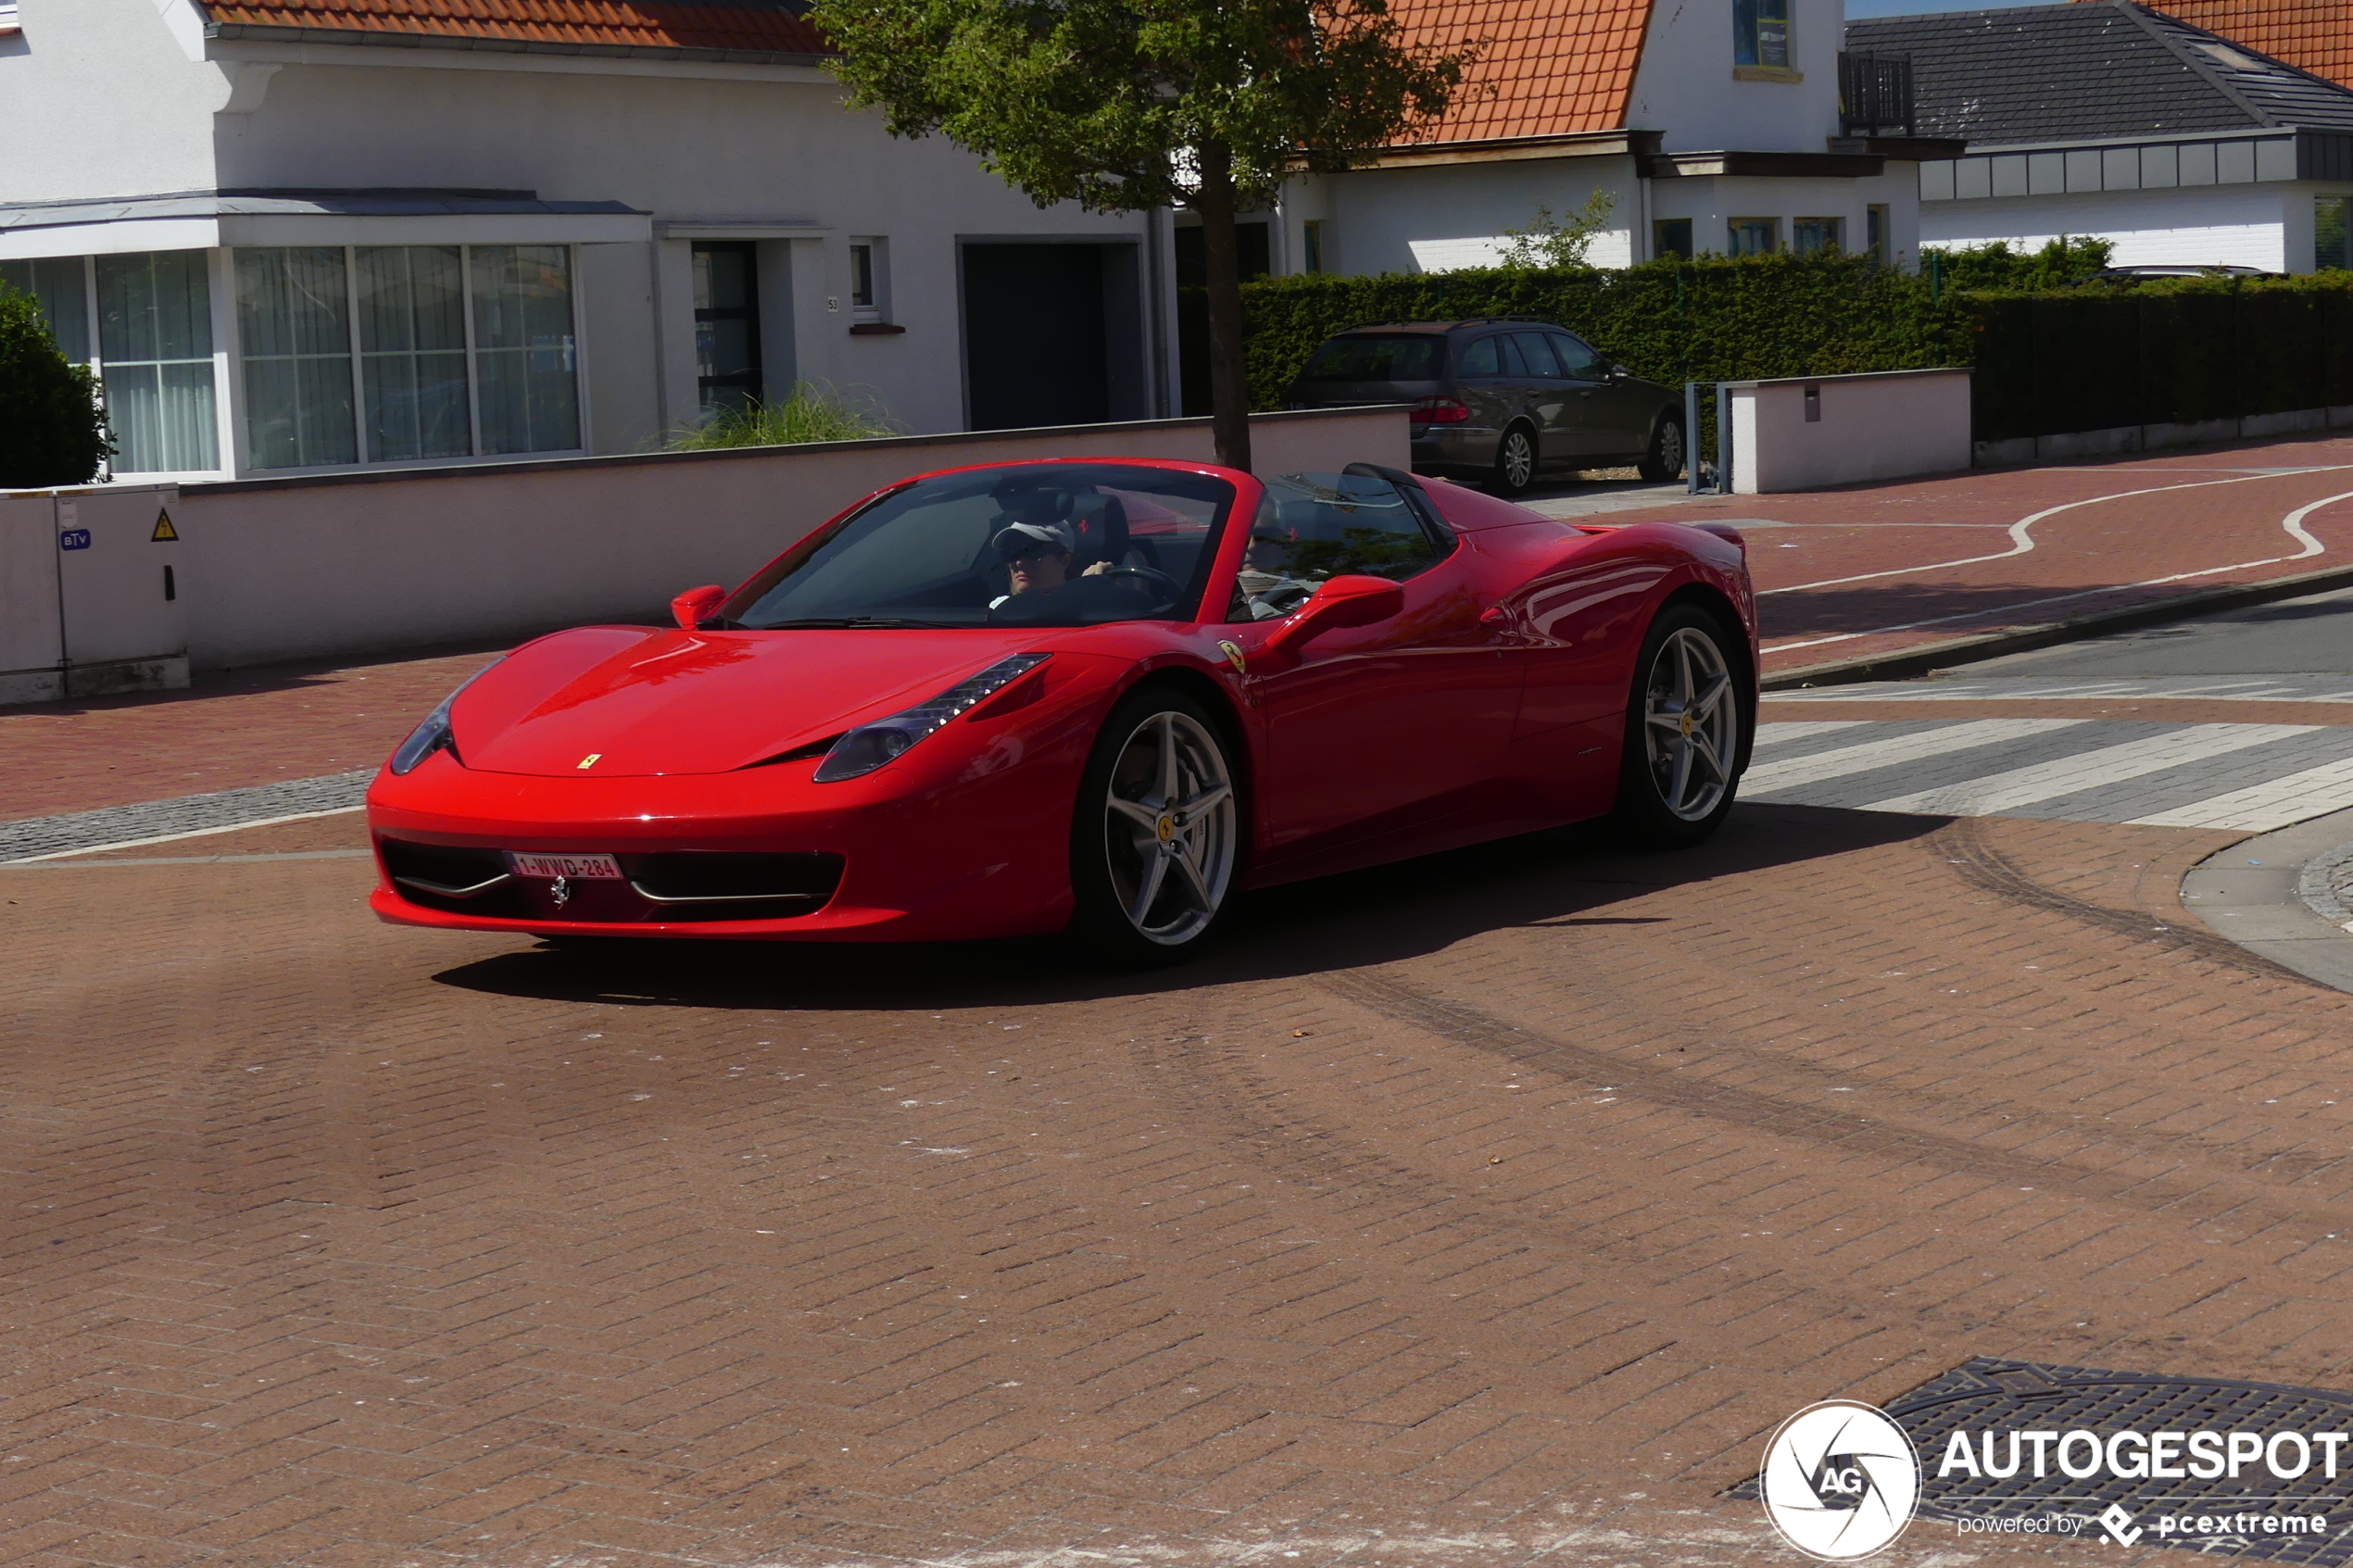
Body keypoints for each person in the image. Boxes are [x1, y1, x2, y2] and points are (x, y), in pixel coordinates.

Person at [988, 519, 1110, 608]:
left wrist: (1092, 591)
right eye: (1011, 553)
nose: (1019, 563)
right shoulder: (998, 609)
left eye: (1032, 552)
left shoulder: (1089, 610)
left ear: (1065, 561)